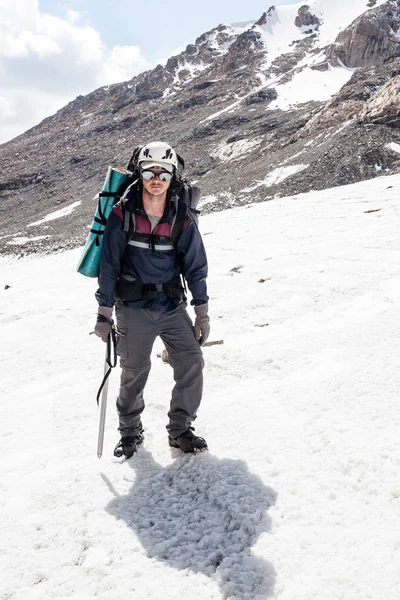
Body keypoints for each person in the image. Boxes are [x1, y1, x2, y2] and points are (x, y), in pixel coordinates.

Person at [94, 141, 210, 458]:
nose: (156, 179)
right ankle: (130, 433)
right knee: (133, 372)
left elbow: (196, 266)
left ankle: (180, 430)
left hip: (171, 306)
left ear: (172, 176)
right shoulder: (122, 213)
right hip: (132, 308)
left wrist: (202, 312)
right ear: (141, 173)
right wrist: (104, 312)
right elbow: (109, 265)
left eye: (163, 173)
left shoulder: (181, 215)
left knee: (191, 363)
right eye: (149, 171)